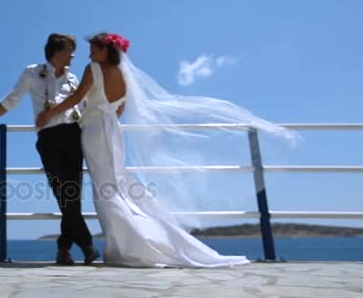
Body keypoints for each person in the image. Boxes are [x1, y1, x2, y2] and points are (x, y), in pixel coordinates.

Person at [36, 32, 297, 267]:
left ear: (106, 50)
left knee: (106, 187)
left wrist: (49, 115)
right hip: (112, 130)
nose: (90, 52)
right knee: (116, 182)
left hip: (94, 131)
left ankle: (130, 245)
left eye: (94, 48)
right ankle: (141, 238)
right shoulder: (124, 74)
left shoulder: (93, 68)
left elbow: (76, 98)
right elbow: (120, 109)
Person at [0, 33, 99, 265]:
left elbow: (86, 105)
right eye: (69, 50)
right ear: (56, 52)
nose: (73, 55)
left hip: (73, 135)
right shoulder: (32, 72)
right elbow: (12, 99)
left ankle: (65, 250)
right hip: (48, 137)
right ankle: (86, 245)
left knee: (72, 195)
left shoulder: (72, 79)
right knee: (64, 192)